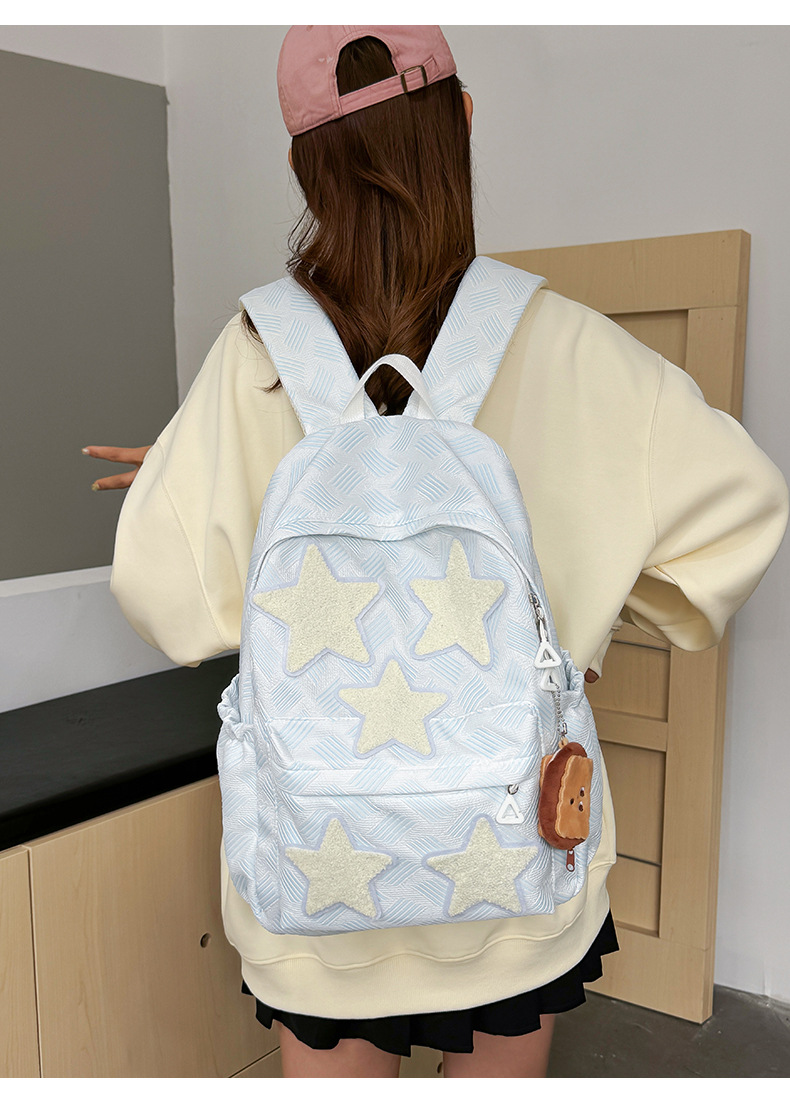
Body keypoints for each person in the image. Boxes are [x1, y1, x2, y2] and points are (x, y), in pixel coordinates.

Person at [89, 26, 789, 1078]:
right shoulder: (571, 343)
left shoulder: (254, 359)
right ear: (461, 118)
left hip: (315, 867)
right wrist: (584, 622)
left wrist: (197, 478)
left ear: (302, 166)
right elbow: (743, 509)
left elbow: (166, 593)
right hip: (510, 851)